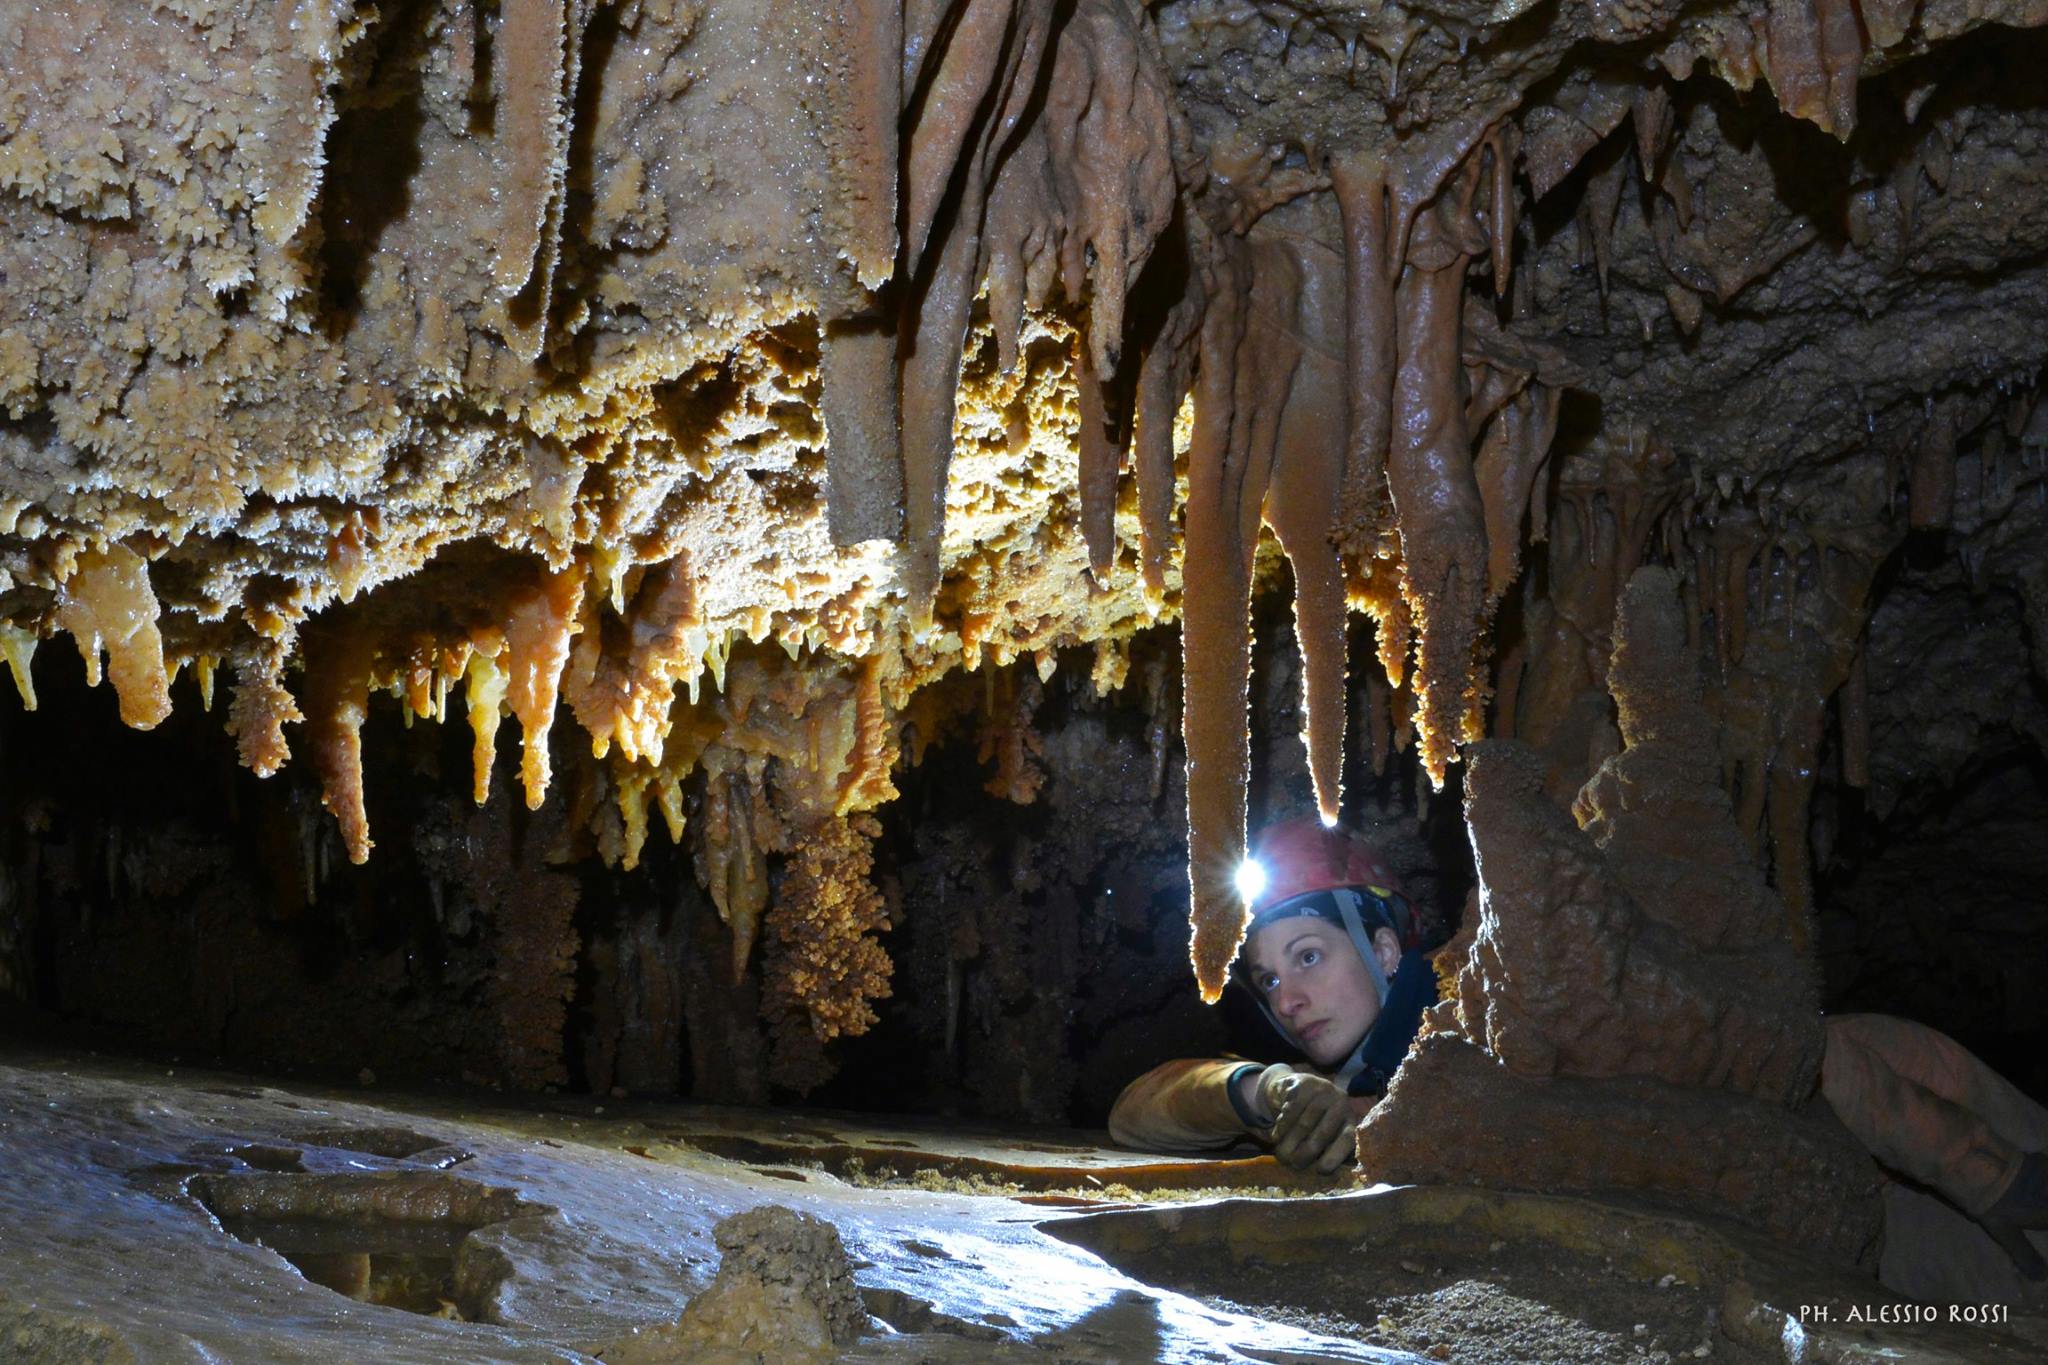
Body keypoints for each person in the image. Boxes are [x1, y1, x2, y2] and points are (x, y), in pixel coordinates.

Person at [1109, 816, 2048, 1287]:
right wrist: (1255, 1087)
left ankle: (2014, 1180)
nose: (1288, 996)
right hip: (1837, 1216)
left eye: (1306, 954)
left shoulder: (1494, 991)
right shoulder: (1327, 1090)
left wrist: (1981, 1169)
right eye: (1267, 981)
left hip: (1850, 1128)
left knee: (1883, 1051)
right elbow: (1138, 1106)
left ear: (1385, 947)